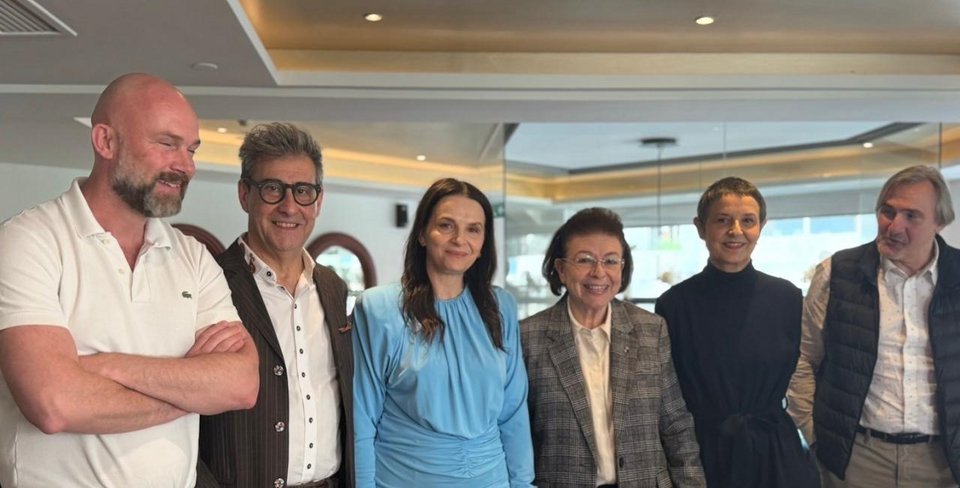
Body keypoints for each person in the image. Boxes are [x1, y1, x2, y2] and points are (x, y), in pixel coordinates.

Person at [0, 73, 259, 487]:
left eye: (191, 149)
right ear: (106, 141)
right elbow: (54, 405)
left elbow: (241, 385)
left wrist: (104, 367)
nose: (186, 166)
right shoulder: (28, 241)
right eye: (167, 144)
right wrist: (192, 393)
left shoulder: (193, 256)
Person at [199, 123, 354, 488]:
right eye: (272, 188)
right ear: (244, 195)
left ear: (318, 200)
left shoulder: (333, 287)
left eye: (303, 191)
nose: (289, 206)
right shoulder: (208, 282)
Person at [352, 178, 534, 487]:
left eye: (473, 229)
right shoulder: (379, 308)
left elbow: (513, 412)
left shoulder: (501, 306)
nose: (460, 239)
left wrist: (523, 484)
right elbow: (362, 417)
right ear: (422, 233)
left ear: (483, 242)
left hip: (493, 479)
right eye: (446, 226)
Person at [787, 165, 960, 487]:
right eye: (887, 212)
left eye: (911, 216)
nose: (894, 226)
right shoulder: (837, 273)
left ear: (940, 222)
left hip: (945, 463)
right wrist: (815, 437)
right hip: (858, 459)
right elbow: (804, 359)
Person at [523, 207, 706, 487]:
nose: (599, 272)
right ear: (561, 269)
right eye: (584, 260)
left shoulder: (650, 329)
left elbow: (675, 424)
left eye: (610, 261)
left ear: (622, 268)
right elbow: (518, 434)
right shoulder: (528, 337)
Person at [655, 177, 819, 488]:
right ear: (700, 227)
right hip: (702, 451)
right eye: (722, 220)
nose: (736, 231)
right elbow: (667, 395)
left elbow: (809, 369)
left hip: (775, 451)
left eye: (748, 221)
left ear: (761, 227)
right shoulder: (674, 304)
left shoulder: (787, 298)